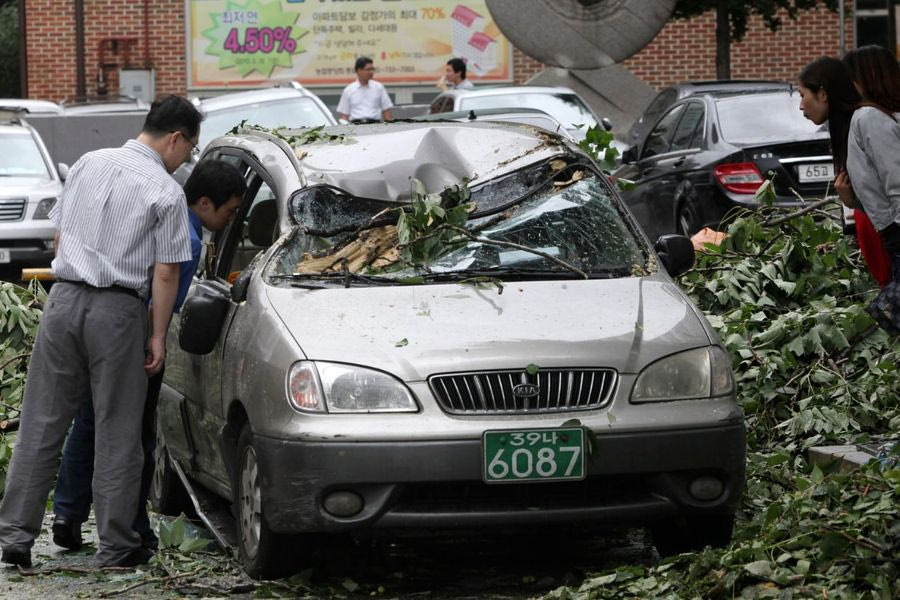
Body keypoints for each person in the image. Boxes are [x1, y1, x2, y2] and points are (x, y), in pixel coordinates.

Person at [0, 95, 201, 569]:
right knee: (118, 430)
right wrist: (156, 336)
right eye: (189, 149)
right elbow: (167, 273)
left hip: (63, 301)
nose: (186, 159)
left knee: (40, 425)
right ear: (175, 137)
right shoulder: (167, 191)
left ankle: (14, 537)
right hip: (118, 312)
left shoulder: (88, 163)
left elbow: (60, 236)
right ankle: (116, 545)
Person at [49, 159, 246, 554]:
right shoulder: (186, 239)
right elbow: (164, 293)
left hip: (90, 320)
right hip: (133, 336)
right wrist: (155, 339)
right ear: (204, 204)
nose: (229, 221)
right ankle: (132, 528)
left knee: (87, 419)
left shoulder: (140, 204)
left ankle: (66, 514)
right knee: (133, 435)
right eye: (228, 211)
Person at [798, 57, 892, 289]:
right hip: (882, 238)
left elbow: (895, 182)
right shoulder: (847, 127)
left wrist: (895, 237)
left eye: (802, 95)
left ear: (823, 93)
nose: (801, 106)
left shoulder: (867, 119)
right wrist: (853, 202)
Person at [841, 46, 900, 333]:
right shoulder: (884, 116)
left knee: (888, 314)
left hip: (894, 226)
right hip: (890, 224)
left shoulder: (869, 117)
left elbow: (895, 179)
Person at [336, 56, 394, 123]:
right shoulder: (349, 90)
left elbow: (386, 111)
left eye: (372, 69)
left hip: (375, 125)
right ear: (359, 70)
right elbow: (344, 115)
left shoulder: (379, 87)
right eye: (368, 70)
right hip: (355, 126)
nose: (371, 72)